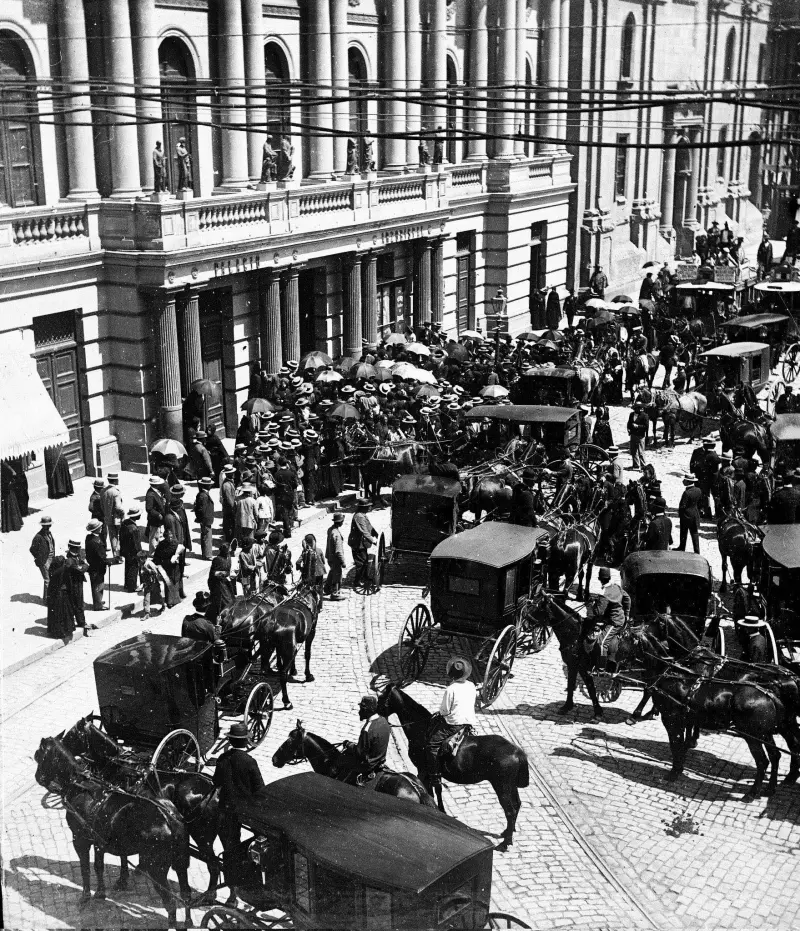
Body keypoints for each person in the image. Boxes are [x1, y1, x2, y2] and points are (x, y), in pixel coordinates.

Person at [213, 722, 266, 904]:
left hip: (228, 811)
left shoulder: (222, 759)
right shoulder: (249, 761)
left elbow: (216, 782)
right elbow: (260, 789)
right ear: (246, 741)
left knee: (231, 849)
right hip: (248, 813)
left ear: (230, 741)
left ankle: (233, 893)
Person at [424, 657, 477, 785]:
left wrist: (440, 713)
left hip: (454, 724)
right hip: (468, 720)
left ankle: (435, 776)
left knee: (432, 745)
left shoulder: (450, 689)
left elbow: (445, 711)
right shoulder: (471, 685)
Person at [335, 695, 392, 785]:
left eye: (361, 709)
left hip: (368, 765)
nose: (359, 711)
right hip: (380, 760)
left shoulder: (367, 729)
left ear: (366, 710)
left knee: (341, 761)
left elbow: (360, 753)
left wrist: (348, 744)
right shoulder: (384, 721)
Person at [349, 499, 378, 586]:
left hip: (362, 543)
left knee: (365, 561)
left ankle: (364, 577)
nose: (370, 507)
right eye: (368, 506)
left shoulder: (363, 515)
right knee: (361, 563)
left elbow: (368, 526)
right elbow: (364, 531)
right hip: (358, 544)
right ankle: (357, 581)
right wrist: (372, 540)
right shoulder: (359, 517)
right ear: (363, 507)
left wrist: (375, 533)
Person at [209, 542, 237, 621]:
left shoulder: (229, 557)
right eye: (228, 550)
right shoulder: (217, 559)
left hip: (226, 581)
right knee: (225, 601)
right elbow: (214, 573)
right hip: (218, 583)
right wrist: (225, 573)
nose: (229, 551)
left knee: (231, 598)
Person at [29, 515, 56, 601]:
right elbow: (32, 549)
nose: (47, 527)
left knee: (51, 579)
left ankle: (49, 598)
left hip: (51, 558)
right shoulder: (38, 536)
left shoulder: (49, 534)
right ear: (42, 525)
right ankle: (47, 600)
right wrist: (40, 558)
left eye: (48, 525)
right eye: (45, 526)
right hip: (44, 560)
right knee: (47, 580)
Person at [85, 519, 109, 610]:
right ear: (95, 529)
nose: (101, 528)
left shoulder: (90, 537)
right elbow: (100, 556)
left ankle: (99, 600)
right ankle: (98, 605)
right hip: (97, 567)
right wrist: (109, 561)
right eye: (99, 527)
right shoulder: (95, 542)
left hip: (96, 566)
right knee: (97, 586)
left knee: (99, 585)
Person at [101, 472, 125, 561]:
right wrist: (123, 514)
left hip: (108, 517)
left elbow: (102, 505)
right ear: (115, 480)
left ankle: (116, 556)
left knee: (112, 536)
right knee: (119, 536)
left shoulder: (103, 491)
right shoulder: (116, 492)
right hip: (117, 518)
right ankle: (119, 554)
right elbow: (118, 507)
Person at [119, 507, 144, 592]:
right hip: (133, 552)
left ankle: (127, 584)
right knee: (133, 569)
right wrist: (140, 553)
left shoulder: (125, 523)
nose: (140, 516)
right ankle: (132, 587)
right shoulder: (134, 528)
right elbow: (136, 543)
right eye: (139, 515)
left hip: (126, 550)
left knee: (128, 568)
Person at [677, 473, 703, 554]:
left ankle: (682, 547)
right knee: (694, 533)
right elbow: (700, 502)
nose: (683, 481)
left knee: (683, 532)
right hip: (695, 514)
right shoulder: (698, 490)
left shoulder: (687, 493)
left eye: (685, 480)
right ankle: (697, 550)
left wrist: (680, 514)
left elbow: (682, 506)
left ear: (688, 481)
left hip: (686, 515)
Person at [296, 533, 326, 599]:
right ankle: (319, 603)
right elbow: (323, 562)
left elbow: (298, 562)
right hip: (319, 572)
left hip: (309, 574)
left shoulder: (305, 552)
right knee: (320, 588)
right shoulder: (319, 550)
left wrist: (300, 569)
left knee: (309, 588)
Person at [324, 512, 347, 600]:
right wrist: (343, 562)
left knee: (332, 572)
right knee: (337, 576)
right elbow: (338, 551)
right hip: (336, 559)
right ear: (340, 522)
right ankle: (335, 593)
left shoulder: (330, 529)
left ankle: (327, 589)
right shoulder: (336, 534)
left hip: (330, 556)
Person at [194, 477, 215, 560]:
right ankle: (207, 555)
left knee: (206, 536)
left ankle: (206, 554)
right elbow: (201, 509)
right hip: (205, 520)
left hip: (205, 519)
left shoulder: (202, 494)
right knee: (207, 537)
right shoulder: (203, 496)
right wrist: (201, 519)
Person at [627, 402, 649, 470]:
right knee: (633, 451)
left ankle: (643, 466)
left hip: (640, 436)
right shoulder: (631, 414)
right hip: (633, 435)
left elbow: (646, 426)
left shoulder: (645, 415)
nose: (638, 409)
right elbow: (629, 423)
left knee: (641, 452)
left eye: (639, 408)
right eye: (637, 408)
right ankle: (635, 465)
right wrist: (628, 429)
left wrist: (638, 426)